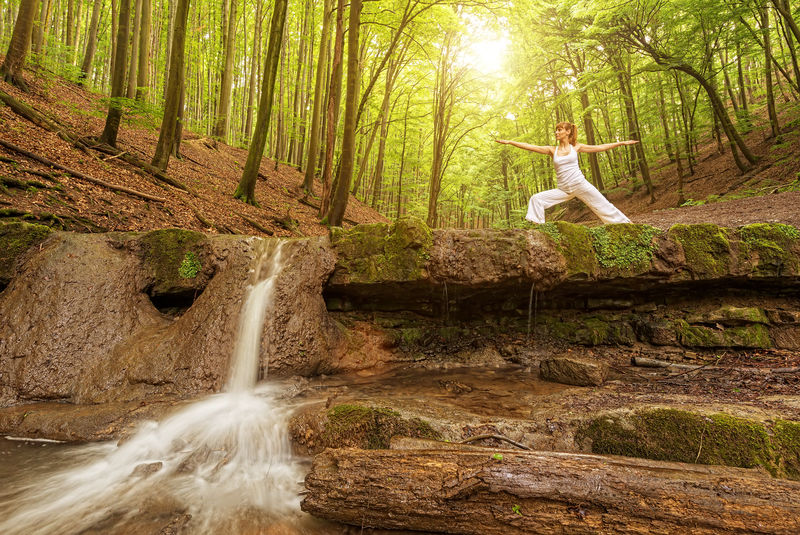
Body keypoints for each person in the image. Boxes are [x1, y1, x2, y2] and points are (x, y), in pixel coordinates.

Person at [496, 122, 637, 224]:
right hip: (564, 189)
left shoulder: (576, 147)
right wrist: (510, 142)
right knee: (536, 199)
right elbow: (530, 147)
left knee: (603, 205)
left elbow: (600, 147)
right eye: (556, 130)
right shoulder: (552, 150)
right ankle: (539, 228)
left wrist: (621, 143)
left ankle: (626, 225)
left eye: (560, 130)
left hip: (580, 184)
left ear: (568, 132)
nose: (557, 132)